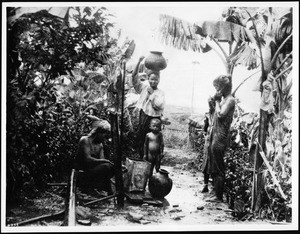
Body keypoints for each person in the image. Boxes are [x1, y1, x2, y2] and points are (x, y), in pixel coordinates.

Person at [207, 75, 235, 202]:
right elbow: (215, 113)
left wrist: (217, 101)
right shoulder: (224, 100)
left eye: (218, 88)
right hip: (215, 134)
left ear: (223, 88)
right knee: (214, 165)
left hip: (221, 137)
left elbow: (221, 114)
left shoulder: (230, 100)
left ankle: (218, 196)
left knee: (218, 167)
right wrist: (213, 102)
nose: (216, 91)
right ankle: (215, 192)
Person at [132, 56, 166, 159]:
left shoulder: (160, 93)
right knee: (141, 138)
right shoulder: (144, 87)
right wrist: (138, 61)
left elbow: (159, 105)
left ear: (159, 80)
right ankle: (142, 158)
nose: (153, 82)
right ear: (148, 79)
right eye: (151, 79)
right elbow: (134, 77)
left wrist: (152, 95)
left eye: (155, 80)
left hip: (155, 118)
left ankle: (154, 161)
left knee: (154, 140)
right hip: (144, 116)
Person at [73, 120, 115, 195]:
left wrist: (116, 166)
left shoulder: (100, 145)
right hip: (82, 173)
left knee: (110, 168)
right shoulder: (85, 140)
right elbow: (87, 159)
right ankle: (87, 187)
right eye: (104, 135)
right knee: (106, 166)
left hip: (92, 173)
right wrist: (106, 161)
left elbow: (102, 163)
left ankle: (102, 189)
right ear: (98, 132)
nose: (104, 138)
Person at [200, 96, 215, 193]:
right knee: (206, 163)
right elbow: (204, 129)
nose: (211, 106)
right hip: (208, 141)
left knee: (214, 164)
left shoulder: (218, 115)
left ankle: (214, 186)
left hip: (216, 142)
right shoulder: (208, 116)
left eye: (212, 103)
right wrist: (206, 135)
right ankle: (205, 185)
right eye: (209, 104)